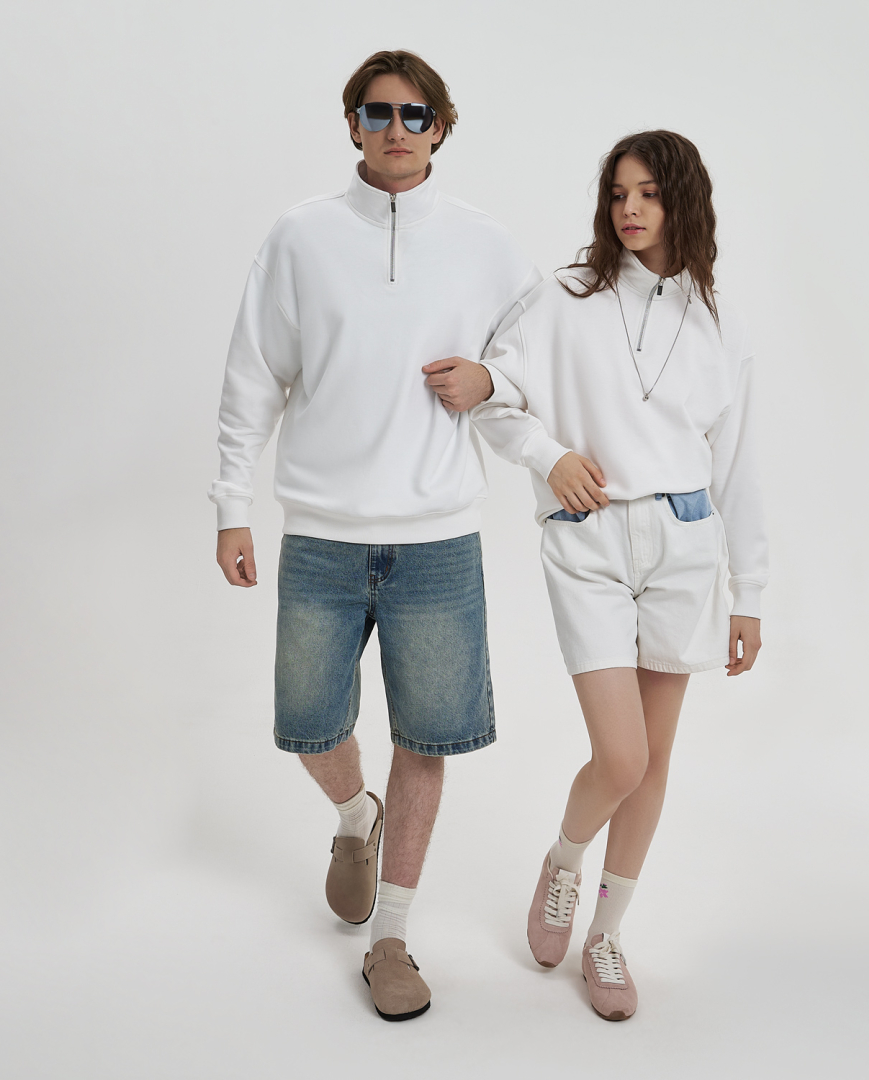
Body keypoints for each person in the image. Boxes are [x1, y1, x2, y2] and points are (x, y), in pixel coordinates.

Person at [209, 49, 539, 1021]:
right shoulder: (301, 236)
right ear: (353, 123)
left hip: (438, 539)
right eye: (378, 112)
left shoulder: (485, 245)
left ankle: (390, 938)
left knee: (427, 737)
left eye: (416, 113)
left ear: (441, 126)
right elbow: (252, 375)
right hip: (321, 532)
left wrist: (494, 380)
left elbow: (541, 358)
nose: (397, 129)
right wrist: (232, 506)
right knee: (309, 726)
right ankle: (357, 813)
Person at [471, 130, 768, 1020]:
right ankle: (564, 861)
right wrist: (551, 457)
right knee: (622, 756)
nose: (630, 210)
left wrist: (750, 592)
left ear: (683, 201)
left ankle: (607, 933)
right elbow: (492, 396)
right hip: (590, 541)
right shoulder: (564, 298)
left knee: (653, 763)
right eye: (617, 194)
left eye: (648, 194)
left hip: (685, 542)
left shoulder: (719, 321)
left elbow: (738, 465)